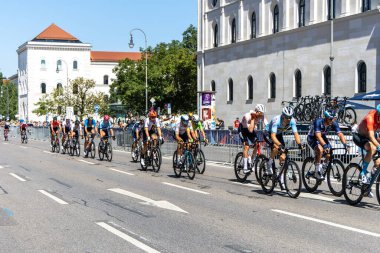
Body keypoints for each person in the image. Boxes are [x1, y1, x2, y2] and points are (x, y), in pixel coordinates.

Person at [307, 109, 348, 180]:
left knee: (329, 154)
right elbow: (318, 136)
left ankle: (322, 171)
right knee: (320, 149)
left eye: (334, 119)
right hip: (312, 137)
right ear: (326, 118)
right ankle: (317, 172)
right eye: (331, 119)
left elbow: (340, 134)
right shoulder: (318, 122)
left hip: (322, 137)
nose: (332, 120)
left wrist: (345, 144)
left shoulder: (333, 123)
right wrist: (325, 146)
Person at [264, 106, 303, 178]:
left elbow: (296, 133)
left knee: (284, 153)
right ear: (283, 115)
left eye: (290, 117)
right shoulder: (276, 120)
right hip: (269, 134)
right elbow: (273, 136)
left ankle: (280, 174)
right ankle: (269, 164)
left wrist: (299, 144)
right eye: (286, 117)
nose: (288, 119)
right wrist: (279, 145)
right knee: (276, 148)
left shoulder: (292, 121)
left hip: (278, 135)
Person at [352, 105, 380, 186]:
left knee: (378, 163)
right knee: (372, 147)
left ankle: (369, 181)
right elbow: (371, 136)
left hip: (368, 137)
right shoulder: (370, 118)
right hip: (359, 136)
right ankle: (363, 173)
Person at [238, 104, 266, 173]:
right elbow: (250, 130)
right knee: (246, 146)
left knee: (257, 143)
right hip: (243, 129)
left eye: (262, 114)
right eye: (260, 114)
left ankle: (252, 161)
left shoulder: (261, 116)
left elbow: (267, 124)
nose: (260, 116)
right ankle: (245, 168)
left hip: (250, 129)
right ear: (256, 111)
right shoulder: (247, 116)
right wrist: (253, 119)